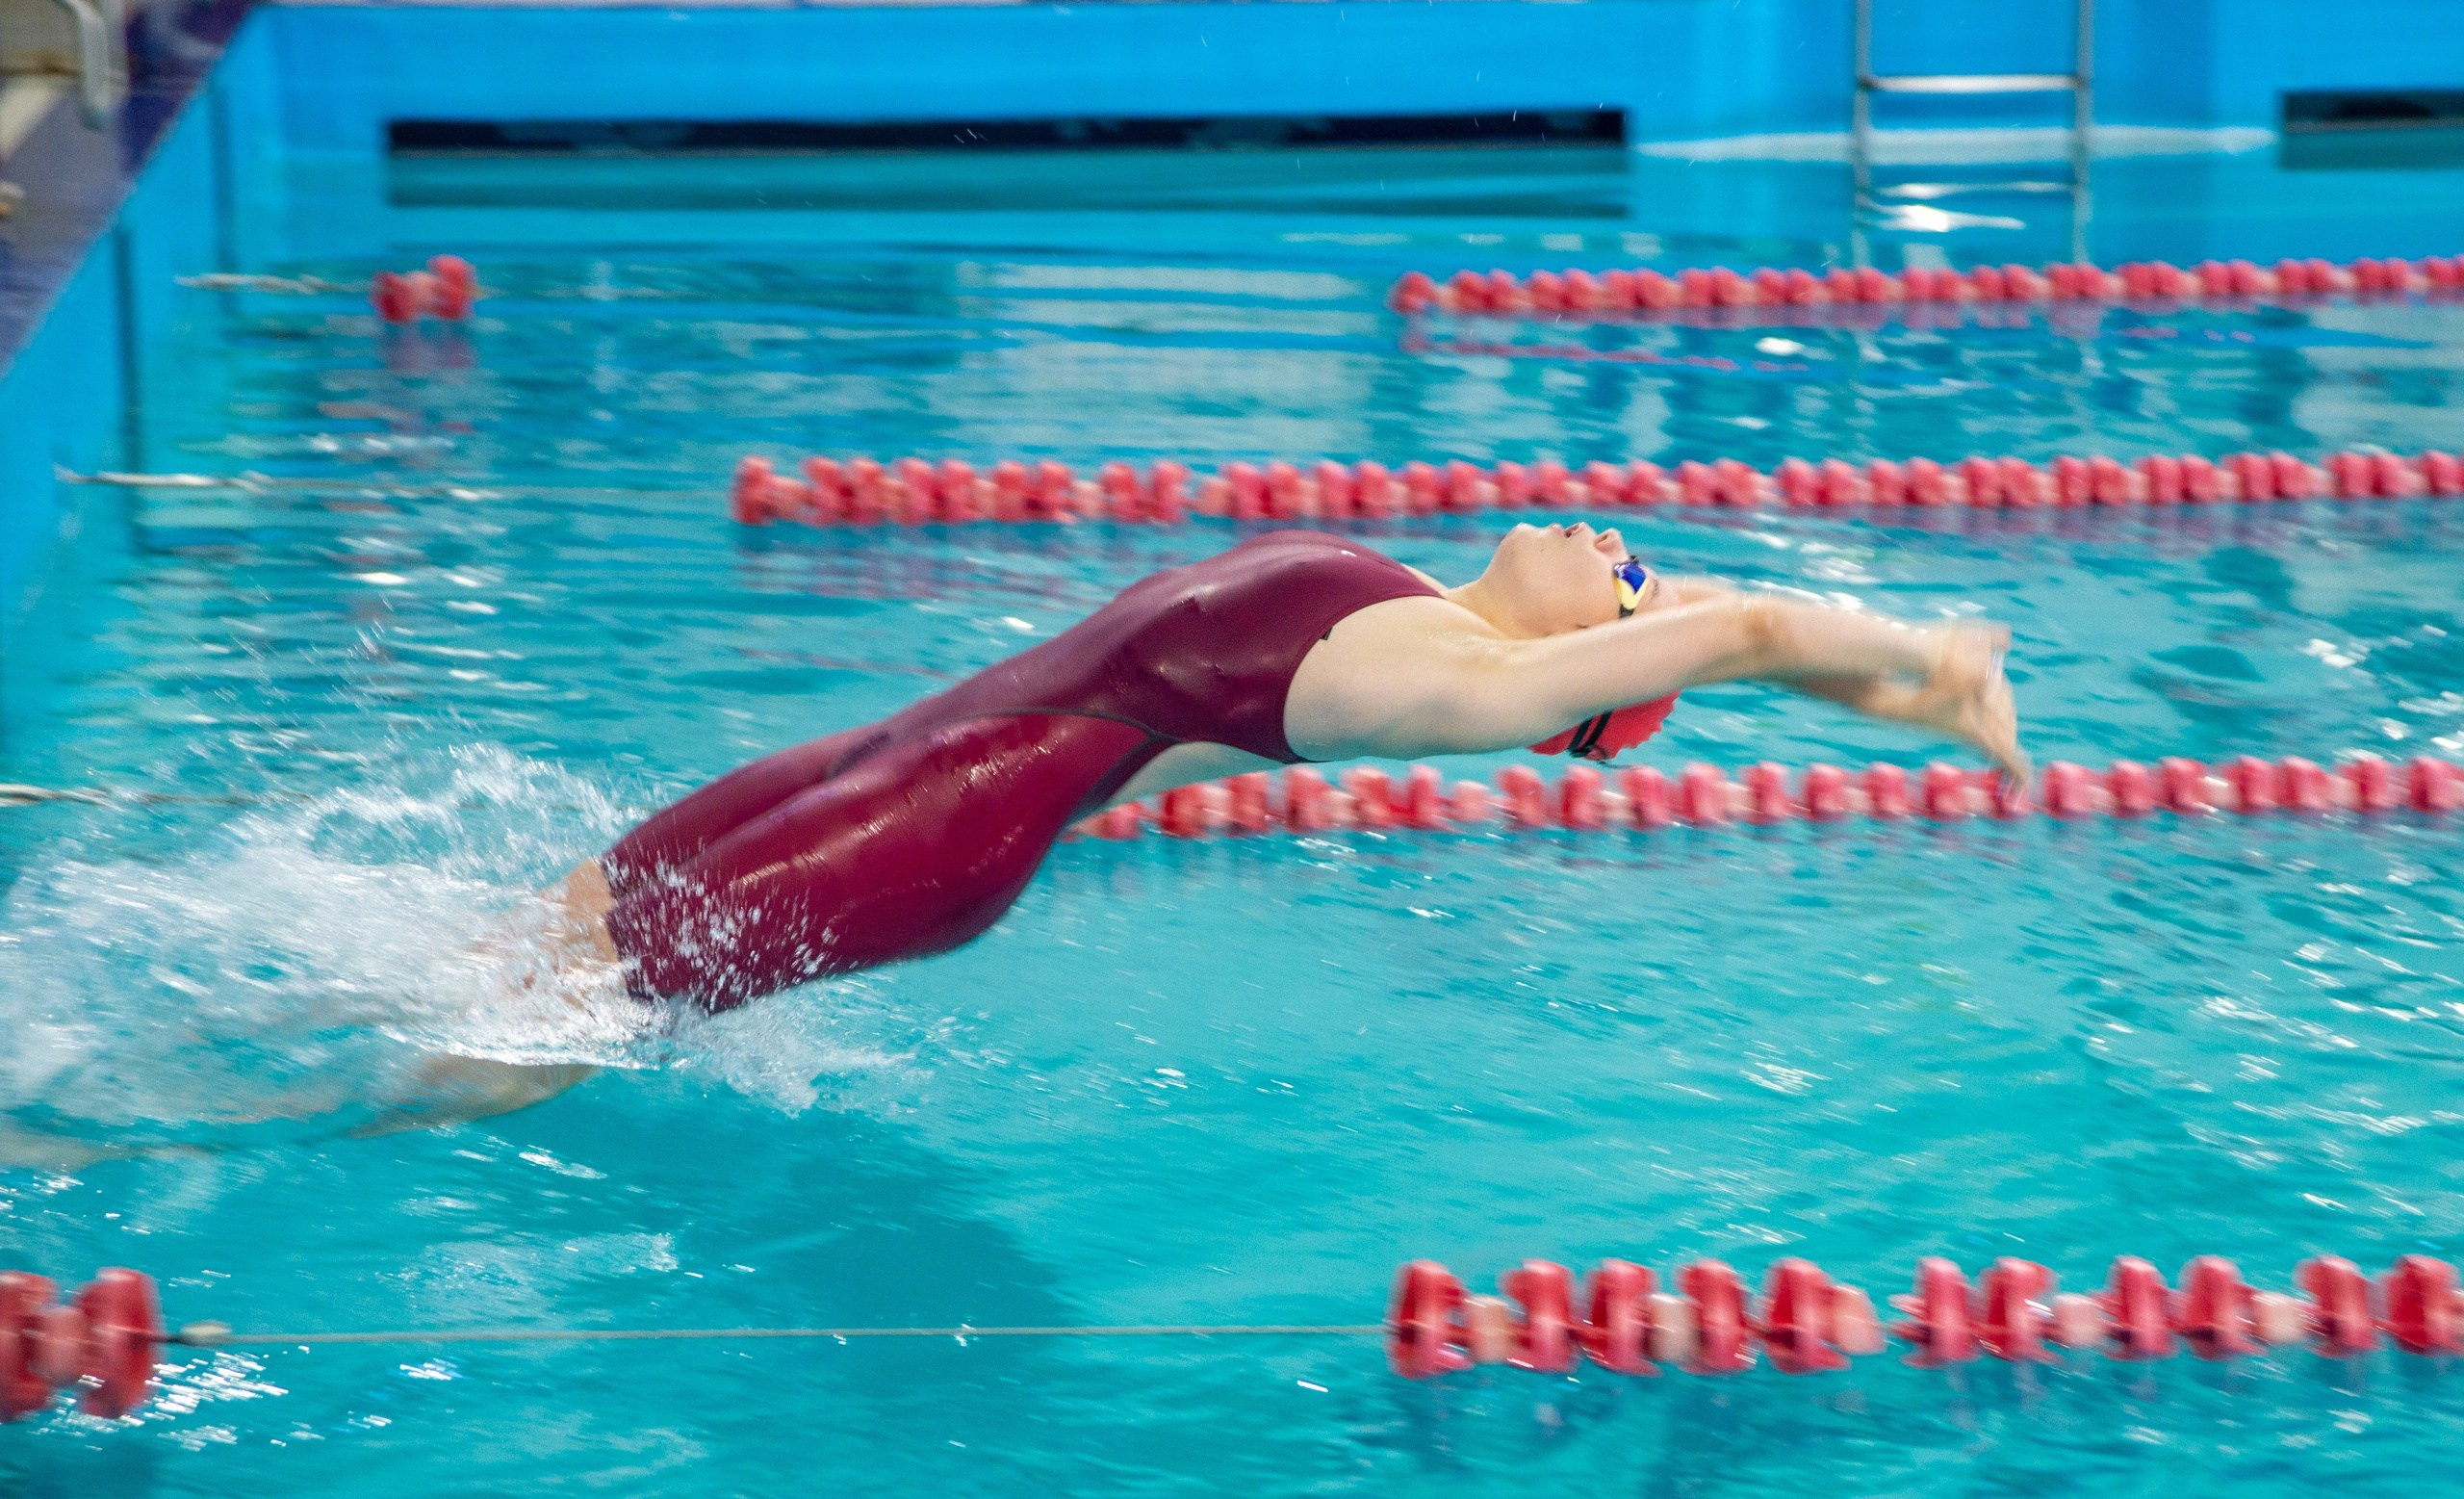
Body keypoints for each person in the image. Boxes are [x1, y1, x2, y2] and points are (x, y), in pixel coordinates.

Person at [520, 521, 2022, 1031]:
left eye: (1621, 572)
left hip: (933, 824)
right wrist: (1886, 692)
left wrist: (1932, 664)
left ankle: (294, 1119)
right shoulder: (1441, 607)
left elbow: (1744, 629)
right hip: (890, 761)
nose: (1603, 533)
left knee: (539, 1025)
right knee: (563, 919)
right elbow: (1721, 606)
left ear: (1598, 666)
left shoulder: (1462, 679)